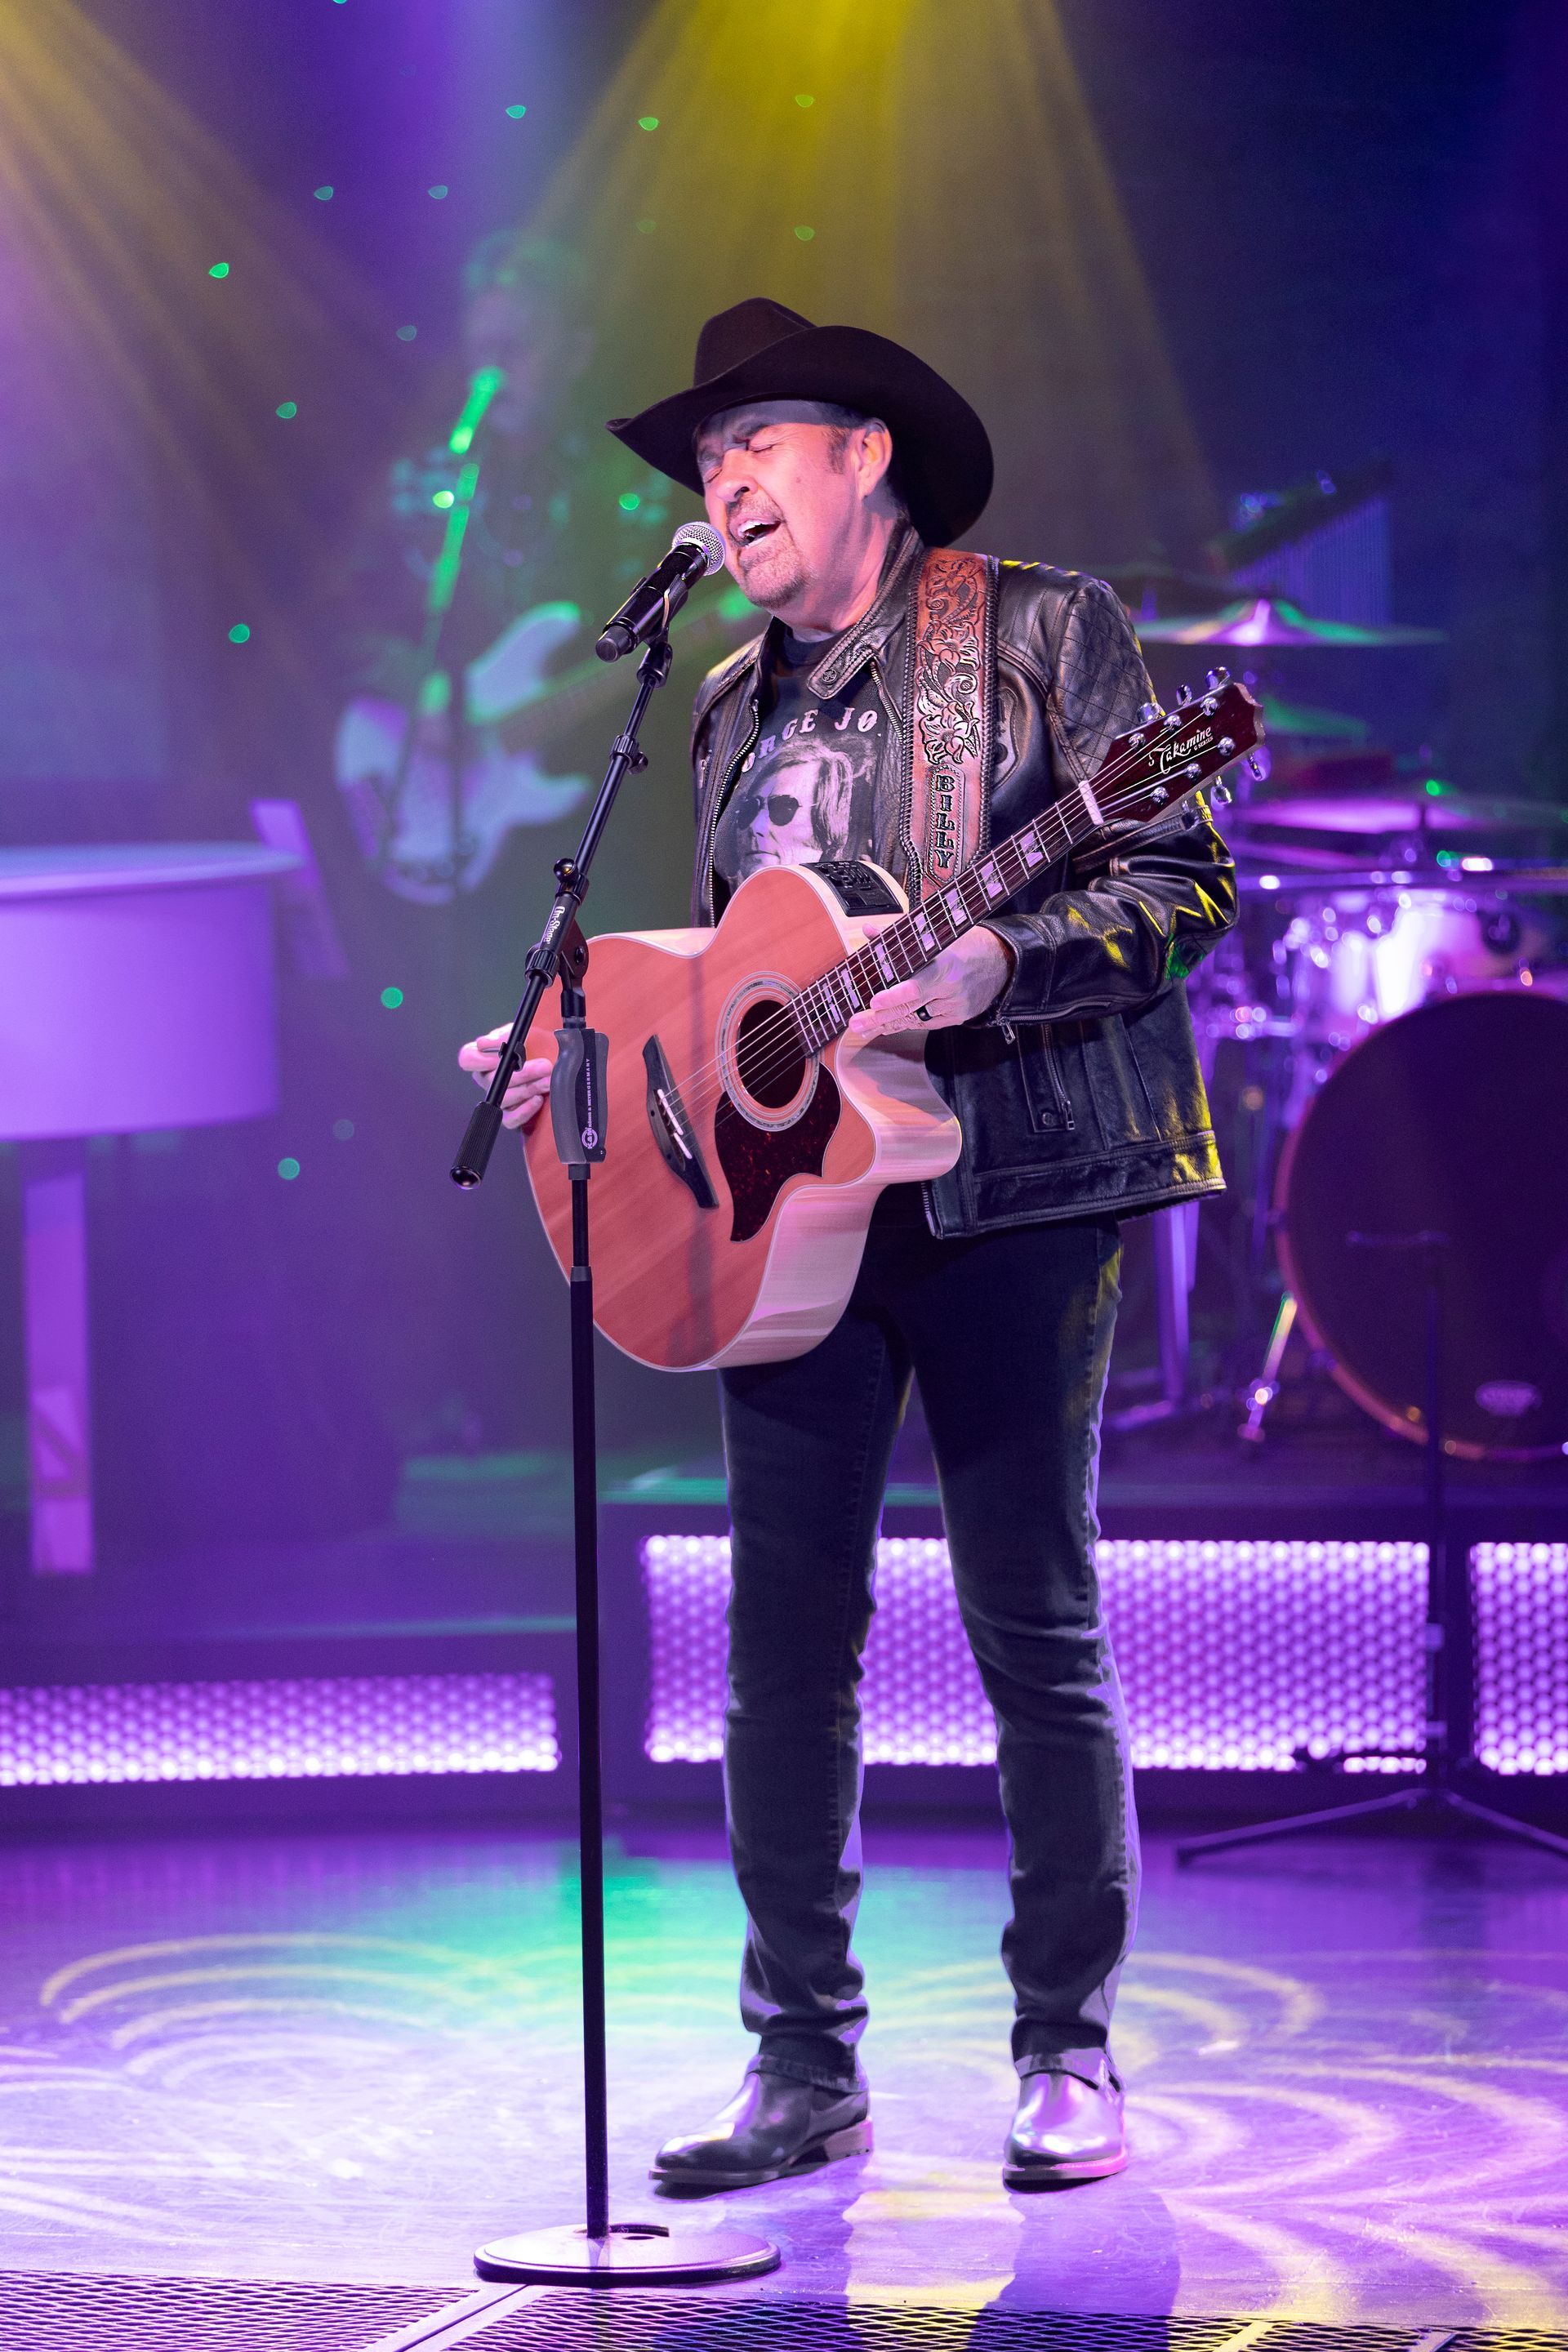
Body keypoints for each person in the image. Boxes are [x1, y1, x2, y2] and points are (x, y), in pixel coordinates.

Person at [460, 299, 1236, 2189]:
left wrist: (997, 955)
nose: (720, 484)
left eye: (753, 446)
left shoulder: (1047, 633)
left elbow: (1183, 871)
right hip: (787, 1224)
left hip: (1014, 1193)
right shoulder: (724, 704)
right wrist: (581, 1055)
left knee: (1030, 1625)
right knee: (778, 1651)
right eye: (702, 464)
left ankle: (1069, 2050)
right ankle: (801, 2065)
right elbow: (746, 976)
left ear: (865, 455)